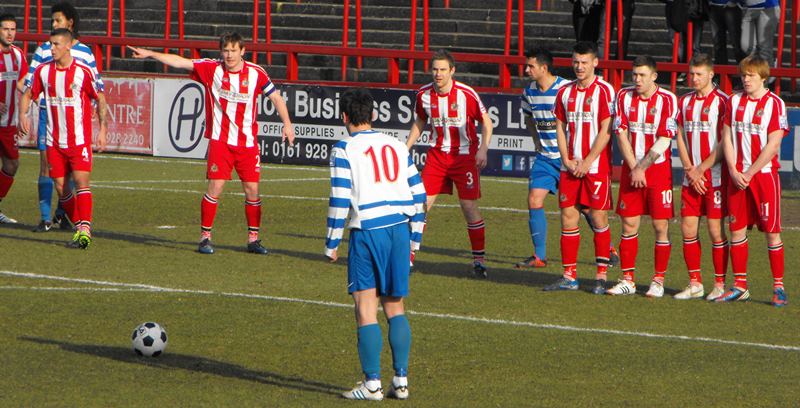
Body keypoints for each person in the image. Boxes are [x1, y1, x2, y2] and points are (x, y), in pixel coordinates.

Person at [128, 32, 295, 255]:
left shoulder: (256, 73)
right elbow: (181, 62)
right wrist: (150, 54)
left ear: (243, 51)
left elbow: (275, 97)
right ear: (221, 51)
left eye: (234, 50)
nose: (229, 55)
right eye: (225, 50)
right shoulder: (212, 68)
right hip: (220, 142)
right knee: (215, 187)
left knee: (252, 191)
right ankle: (205, 237)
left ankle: (253, 239)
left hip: (247, 143)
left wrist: (287, 123)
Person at [325, 88, 426, 401]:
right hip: (399, 228)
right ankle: (401, 381)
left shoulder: (344, 149)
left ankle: (371, 385)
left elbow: (340, 198)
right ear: (374, 115)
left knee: (365, 306)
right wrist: (415, 239)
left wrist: (331, 243)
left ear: (344, 118)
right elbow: (419, 194)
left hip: (368, 230)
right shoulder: (396, 144)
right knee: (395, 306)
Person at [516, 47, 619, 269]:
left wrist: (580, 158)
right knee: (534, 199)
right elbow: (530, 120)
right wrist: (536, 142)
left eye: (531, 66)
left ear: (544, 67)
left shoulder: (564, 88)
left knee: (585, 209)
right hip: (547, 158)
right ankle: (539, 256)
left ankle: (608, 248)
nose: (527, 70)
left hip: (571, 159)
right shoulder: (529, 92)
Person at [406, 49, 493, 278]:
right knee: (421, 205)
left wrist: (483, 148)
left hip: (464, 157)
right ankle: (408, 257)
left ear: (452, 71)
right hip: (437, 156)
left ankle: (479, 260)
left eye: (443, 69)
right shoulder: (423, 95)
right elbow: (420, 121)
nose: (438, 74)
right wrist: (406, 147)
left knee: (469, 207)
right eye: (435, 69)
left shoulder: (466, 94)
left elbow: (487, 123)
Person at [19, 28, 108, 249]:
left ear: (68, 45)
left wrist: (103, 128)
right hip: (53, 141)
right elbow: (28, 93)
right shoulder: (43, 71)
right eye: (51, 44)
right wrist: (23, 114)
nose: (52, 48)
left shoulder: (82, 72)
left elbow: (100, 97)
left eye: (56, 44)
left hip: (78, 141)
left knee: (81, 182)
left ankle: (85, 231)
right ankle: (80, 227)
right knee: (60, 186)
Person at [719, 55, 788, 306]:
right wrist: (734, 170)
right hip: (737, 177)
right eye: (743, 75)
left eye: (750, 75)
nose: (745, 79)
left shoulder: (775, 104)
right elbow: (726, 137)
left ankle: (778, 287)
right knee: (736, 229)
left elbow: (774, 144)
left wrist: (749, 172)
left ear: (763, 77)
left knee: (772, 233)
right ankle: (739, 285)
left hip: (764, 177)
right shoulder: (733, 101)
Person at [547, 42, 615, 294]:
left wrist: (587, 161)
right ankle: (569, 276)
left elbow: (606, 130)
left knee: (598, 217)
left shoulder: (606, 91)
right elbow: (560, 128)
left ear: (595, 63)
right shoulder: (565, 92)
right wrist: (565, 159)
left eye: (584, 62)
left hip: (595, 167)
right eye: (576, 61)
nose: (579, 66)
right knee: (568, 217)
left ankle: (601, 276)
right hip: (570, 166)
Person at [607, 55, 679, 297]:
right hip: (632, 168)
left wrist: (643, 167)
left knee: (660, 225)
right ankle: (628, 279)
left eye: (642, 75)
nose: (637, 79)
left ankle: (658, 280)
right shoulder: (623, 96)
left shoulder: (668, 99)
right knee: (628, 223)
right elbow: (621, 133)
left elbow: (665, 138)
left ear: (654, 76)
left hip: (657, 171)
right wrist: (634, 167)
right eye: (634, 75)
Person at [674, 53, 730, 300]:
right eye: (691, 74)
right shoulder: (684, 101)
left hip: (714, 177)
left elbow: (724, 142)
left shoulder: (723, 102)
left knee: (715, 231)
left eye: (699, 74)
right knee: (688, 229)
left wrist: (702, 169)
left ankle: (719, 284)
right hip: (690, 177)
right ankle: (695, 283)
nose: (694, 79)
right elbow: (680, 136)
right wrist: (689, 169)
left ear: (711, 74)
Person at [0, 13, 26, 224]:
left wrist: (37, 99)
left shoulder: (18, 55)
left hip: (9, 123)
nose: (10, 33)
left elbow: (22, 83)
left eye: (13, 29)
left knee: (12, 164)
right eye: (5, 29)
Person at [740, 0, 780, 69]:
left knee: (764, 48)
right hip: (748, 8)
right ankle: (759, 69)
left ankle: (768, 74)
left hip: (767, 7)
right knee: (746, 47)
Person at [708, 0, 746, 65]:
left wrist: (735, 2)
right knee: (718, 43)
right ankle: (721, 73)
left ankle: (744, 71)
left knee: (736, 43)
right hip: (713, 7)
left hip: (732, 7)